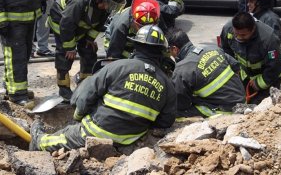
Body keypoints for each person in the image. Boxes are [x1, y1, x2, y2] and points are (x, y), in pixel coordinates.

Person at [29, 25, 177, 152]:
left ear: (136, 46)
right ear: (161, 52)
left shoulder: (117, 67)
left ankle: (38, 142)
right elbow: (165, 121)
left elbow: (84, 97)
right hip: (131, 138)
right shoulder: (167, 85)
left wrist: (78, 119)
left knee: (63, 137)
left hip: (98, 130)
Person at [48, 0, 127, 101]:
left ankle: (85, 84)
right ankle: (64, 89)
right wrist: (70, 47)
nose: (110, 8)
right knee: (65, 55)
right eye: (111, 4)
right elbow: (66, 24)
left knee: (89, 51)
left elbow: (98, 25)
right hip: (62, 23)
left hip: (79, 24)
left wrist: (90, 39)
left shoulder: (104, 6)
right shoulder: (79, 0)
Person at [168, 30, 245, 118]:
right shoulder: (213, 49)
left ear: (174, 49)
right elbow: (236, 66)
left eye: (169, 50)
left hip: (225, 111)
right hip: (241, 100)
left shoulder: (181, 69)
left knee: (176, 114)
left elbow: (181, 104)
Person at [220, 12, 281, 104]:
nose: (239, 37)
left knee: (261, 106)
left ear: (253, 29)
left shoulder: (268, 40)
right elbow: (225, 50)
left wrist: (260, 83)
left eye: (243, 35)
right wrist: (235, 69)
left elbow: (276, 65)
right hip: (247, 75)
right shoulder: (228, 29)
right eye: (236, 34)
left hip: (269, 77)